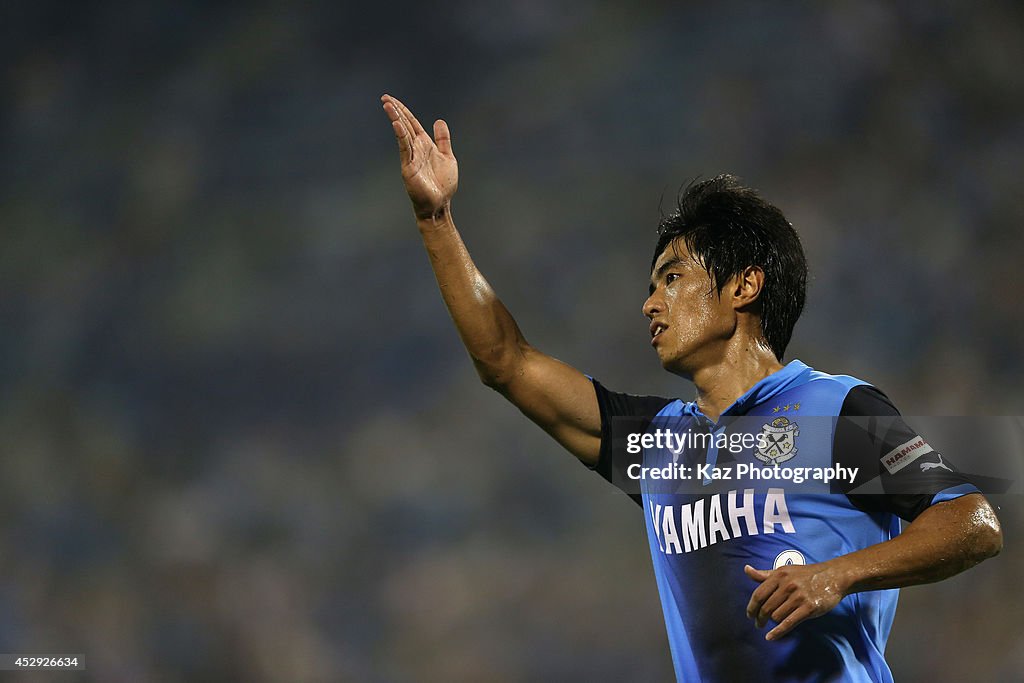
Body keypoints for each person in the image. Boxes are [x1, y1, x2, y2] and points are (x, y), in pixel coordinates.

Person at [379, 93, 1003, 682]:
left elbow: (973, 521)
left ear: (743, 286)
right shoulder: (657, 443)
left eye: (671, 278)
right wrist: (435, 218)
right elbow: (506, 362)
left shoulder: (836, 410)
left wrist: (836, 575)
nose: (650, 304)